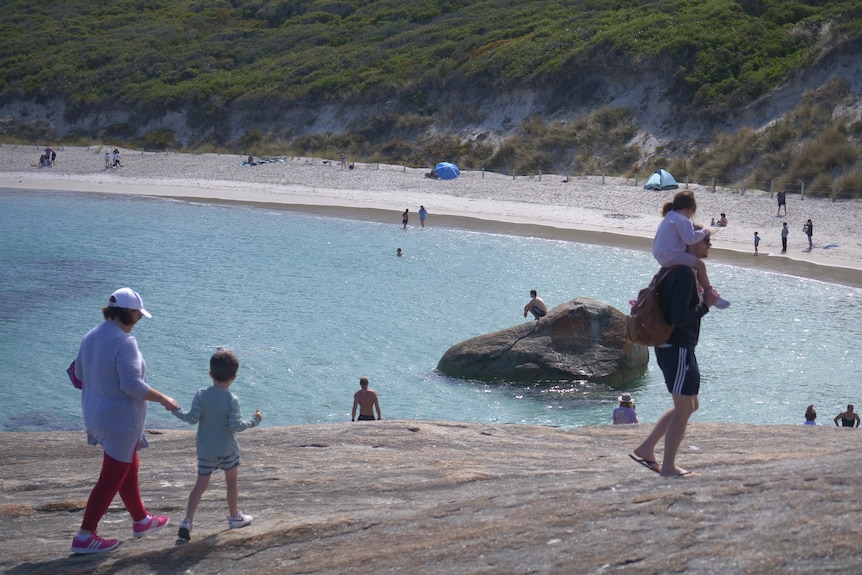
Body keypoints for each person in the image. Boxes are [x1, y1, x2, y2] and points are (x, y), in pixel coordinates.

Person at [70, 288, 179, 554]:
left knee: (129, 467)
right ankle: (85, 536)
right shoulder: (125, 342)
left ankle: (142, 521)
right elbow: (132, 385)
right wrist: (163, 398)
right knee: (110, 478)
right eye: (138, 314)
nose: (139, 319)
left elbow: (77, 375)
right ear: (128, 313)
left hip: (95, 414)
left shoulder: (91, 335)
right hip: (119, 421)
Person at [633, 232, 718, 477]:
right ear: (689, 243)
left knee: (691, 404)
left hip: (676, 347)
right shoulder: (682, 273)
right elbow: (679, 317)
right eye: (705, 240)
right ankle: (668, 467)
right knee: (683, 407)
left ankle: (647, 447)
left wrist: (702, 298)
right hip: (677, 347)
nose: (709, 245)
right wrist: (706, 305)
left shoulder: (674, 269)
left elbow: (675, 309)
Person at [171, 348, 262, 541]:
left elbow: (191, 418)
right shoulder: (232, 399)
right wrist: (255, 420)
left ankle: (187, 520)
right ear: (234, 377)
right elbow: (235, 426)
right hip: (227, 449)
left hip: (205, 451)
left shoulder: (201, 394)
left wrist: (175, 409)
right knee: (231, 482)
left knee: (200, 485)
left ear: (210, 373)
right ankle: (234, 517)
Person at [652, 190, 730, 310]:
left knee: (694, 267)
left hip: (661, 254)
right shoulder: (683, 220)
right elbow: (690, 239)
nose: (709, 244)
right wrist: (705, 232)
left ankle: (701, 291)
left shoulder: (670, 216)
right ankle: (711, 295)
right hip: (671, 254)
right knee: (700, 265)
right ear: (690, 209)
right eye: (706, 240)